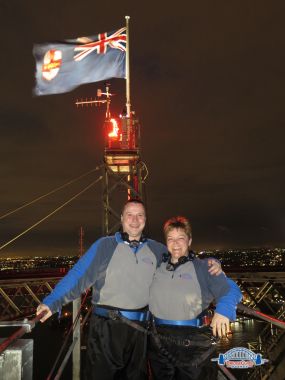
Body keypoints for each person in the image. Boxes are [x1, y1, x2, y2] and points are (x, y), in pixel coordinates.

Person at [37, 199, 222, 380]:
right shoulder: (105, 246)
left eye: (140, 215)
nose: (135, 220)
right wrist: (52, 303)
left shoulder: (156, 250)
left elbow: (182, 258)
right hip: (106, 330)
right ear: (122, 218)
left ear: (145, 220)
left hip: (141, 332)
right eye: (130, 215)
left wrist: (212, 263)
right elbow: (78, 276)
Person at [148, 216, 242, 380]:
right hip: (159, 341)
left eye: (181, 238)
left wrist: (224, 311)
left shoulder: (203, 267)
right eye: (171, 239)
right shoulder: (157, 267)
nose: (175, 243)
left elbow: (232, 289)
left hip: (193, 343)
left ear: (189, 241)